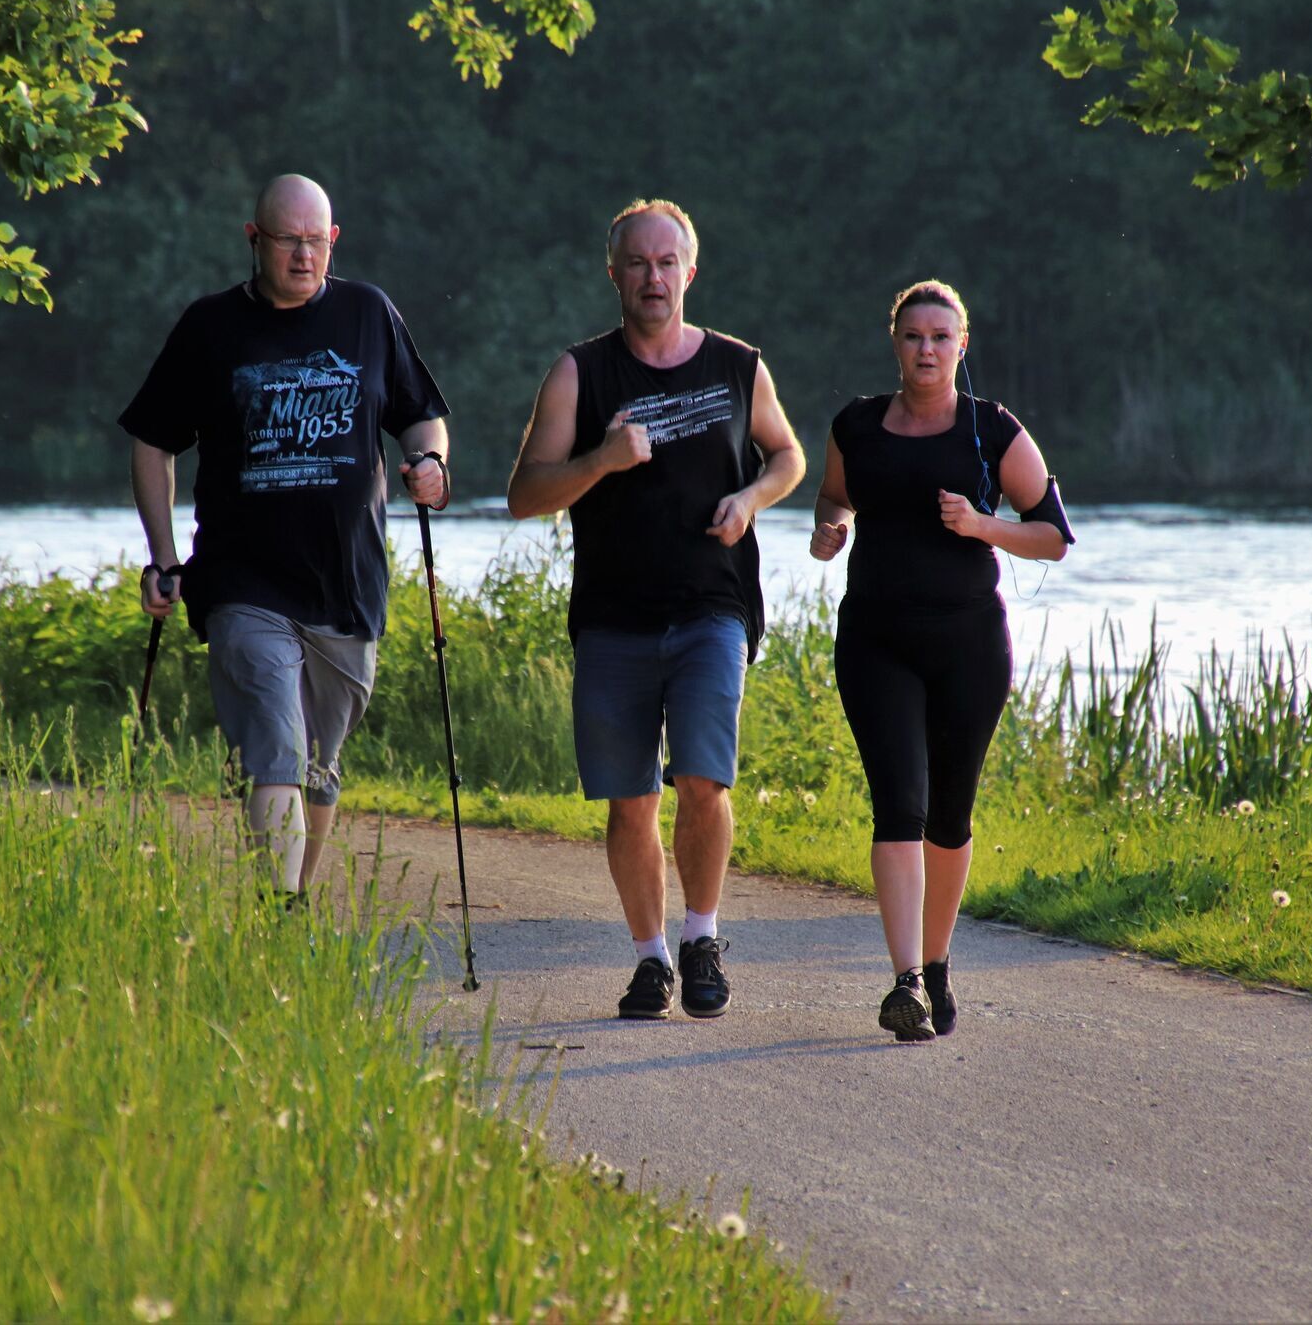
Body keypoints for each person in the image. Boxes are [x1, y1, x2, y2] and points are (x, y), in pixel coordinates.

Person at [507, 199, 806, 1020]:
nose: (653, 276)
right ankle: (649, 958)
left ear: (690, 272)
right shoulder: (580, 373)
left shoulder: (738, 365)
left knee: (704, 779)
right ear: (615, 275)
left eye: (667, 262)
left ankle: (702, 937)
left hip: (713, 605)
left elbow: (787, 454)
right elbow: (525, 493)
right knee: (630, 799)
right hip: (613, 617)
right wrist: (600, 459)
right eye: (637, 263)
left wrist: (750, 497)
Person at [121, 173, 452, 903]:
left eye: (316, 241)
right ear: (254, 239)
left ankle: (292, 907)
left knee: (319, 766)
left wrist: (429, 461)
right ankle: (279, 908)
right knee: (278, 743)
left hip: (346, 585)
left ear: (333, 240)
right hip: (243, 585)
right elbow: (152, 442)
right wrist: (164, 556)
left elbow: (421, 414)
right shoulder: (210, 328)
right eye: (287, 241)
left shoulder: (368, 313)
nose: (303, 256)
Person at [809, 279, 1074, 1042]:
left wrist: (983, 525)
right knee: (899, 804)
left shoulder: (992, 430)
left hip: (968, 645)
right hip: (876, 640)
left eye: (940, 336)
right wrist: (830, 529)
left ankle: (936, 962)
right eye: (913, 335)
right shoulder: (856, 425)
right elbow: (833, 498)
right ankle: (904, 984)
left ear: (963, 345)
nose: (926, 349)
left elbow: (1052, 534)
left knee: (949, 817)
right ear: (895, 344)